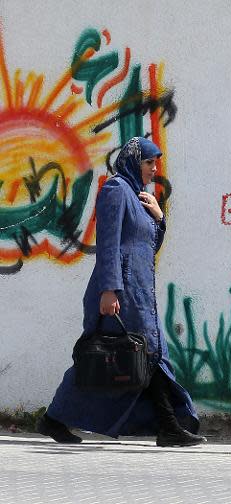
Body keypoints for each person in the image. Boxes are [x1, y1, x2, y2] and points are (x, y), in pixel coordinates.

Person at [37, 137, 206, 447]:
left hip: (140, 293)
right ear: (133, 162)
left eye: (155, 163)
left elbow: (148, 245)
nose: (154, 169)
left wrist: (159, 217)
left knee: (131, 357)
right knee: (128, 355)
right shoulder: (116, 190)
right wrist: (109, 289)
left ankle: (53, 419)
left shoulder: (139, 196)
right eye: (148, 163)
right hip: (121, 294)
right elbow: (108, 244)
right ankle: (169, 426)